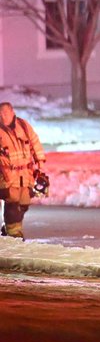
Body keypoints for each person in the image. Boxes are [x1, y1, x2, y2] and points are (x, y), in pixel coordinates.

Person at [0, 102, 47, 240]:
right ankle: (14, 234)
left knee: (24, 203)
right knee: (12, 203)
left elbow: (34, 142)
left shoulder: (24, 126)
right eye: (1, 114)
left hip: (25, 174)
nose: (3, 116)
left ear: (12, 113)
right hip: (7, 175)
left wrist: (40, 161)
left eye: (6, 113)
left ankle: (8, 227)